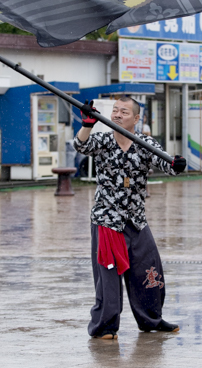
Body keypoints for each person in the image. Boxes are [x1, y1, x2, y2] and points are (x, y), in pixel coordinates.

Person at [73, 94, 186, 340]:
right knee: (109, 276)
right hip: (107, 221)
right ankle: (105, 327)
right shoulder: (103, 140)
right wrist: (86, 125)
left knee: (149, 270)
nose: (117, 115)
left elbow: (164, 162)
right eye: (115, 110)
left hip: (136, 220)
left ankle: (151, 320)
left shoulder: (145, 143)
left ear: (136, 118)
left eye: (124, 112)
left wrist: (176, 164)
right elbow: (81, 146)